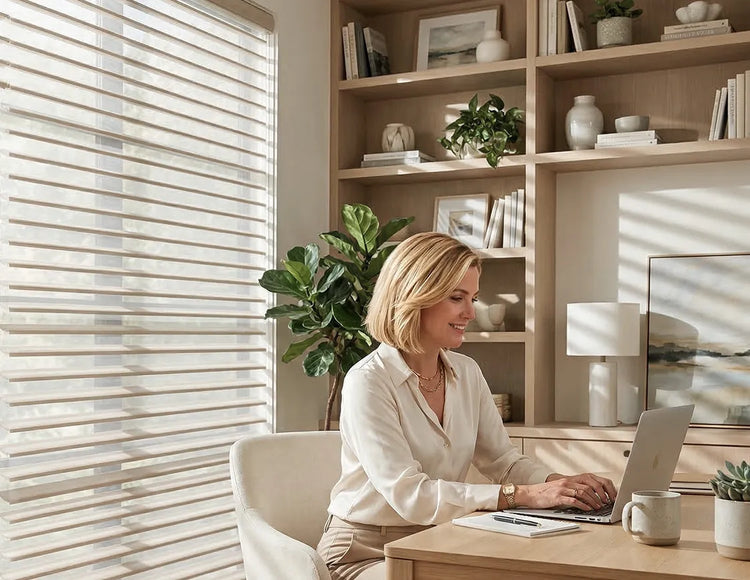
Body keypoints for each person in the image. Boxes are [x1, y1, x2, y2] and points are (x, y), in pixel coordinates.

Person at [316, 232, 617, 579]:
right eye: (457, 298)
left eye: (473, 298)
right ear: (415, 296)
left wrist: (563, 486)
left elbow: (502, 462)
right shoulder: (368, 381)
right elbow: (411, 494)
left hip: (440, 540)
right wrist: (524, 496)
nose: (471, 313)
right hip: (363, 551)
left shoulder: (467, 372)